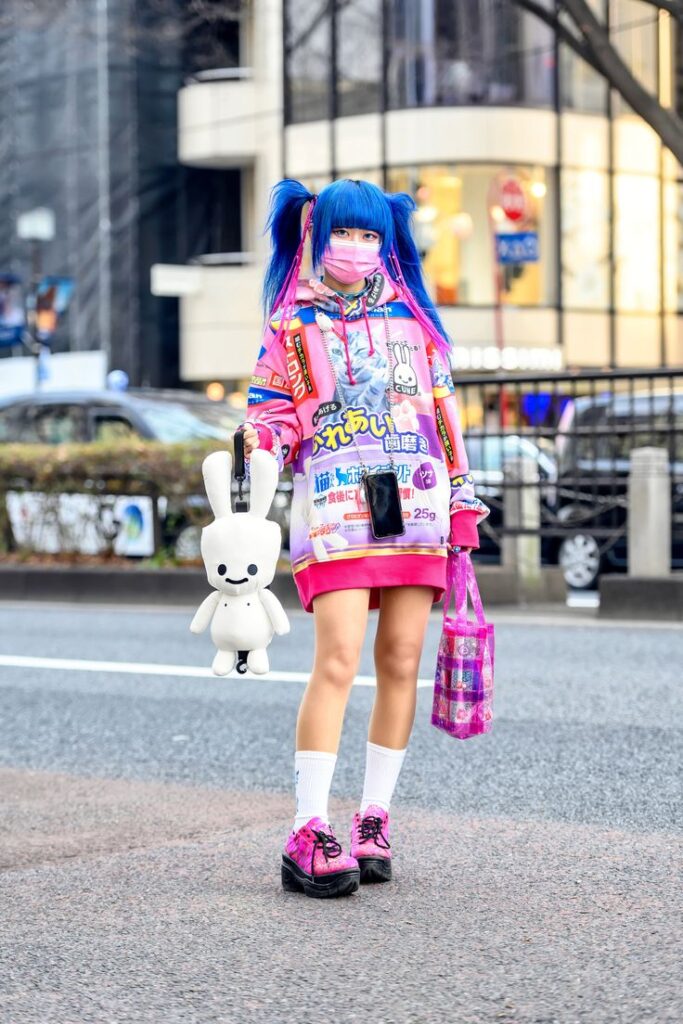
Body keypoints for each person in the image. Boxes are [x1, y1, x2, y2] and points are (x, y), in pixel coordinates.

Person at [239, 177, 489, 899]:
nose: (356, 248)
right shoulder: (291, 326)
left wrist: (462, 495)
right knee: (340, 660)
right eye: (343, 234)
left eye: (370, 235)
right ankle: (307, 827)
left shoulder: (415, 321)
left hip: (415, 504)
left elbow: (442, 416)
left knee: (403, 658)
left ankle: (373, 820)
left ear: (387, 243)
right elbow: (271, 415)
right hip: (337, 506)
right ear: (318, 237)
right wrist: (257, 443)